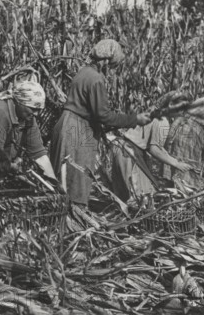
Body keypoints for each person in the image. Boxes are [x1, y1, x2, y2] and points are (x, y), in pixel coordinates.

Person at [50, 39, 151, 206]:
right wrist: (134, 119)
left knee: (63, 179)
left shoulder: (83, 73)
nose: (110, 71)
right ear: (105, 61)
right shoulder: (96, 79)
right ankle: (73, 220)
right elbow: (103, 115)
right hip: (78, 131)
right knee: (76, 180)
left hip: (67, 125)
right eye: (111, 66)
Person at [110, 92, 191, 205]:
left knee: (124, 197)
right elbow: (154, 150)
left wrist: (171, 158)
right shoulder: (162, 122)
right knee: (141, 197)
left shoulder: (153, 112)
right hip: (129, 153)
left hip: (121, 149)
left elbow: (153, 146)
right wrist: (176, 164)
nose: (182, 113)